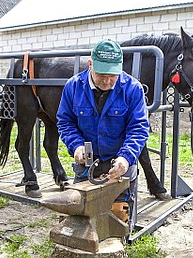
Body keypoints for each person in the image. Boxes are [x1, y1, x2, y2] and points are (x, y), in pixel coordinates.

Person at [56, 39, 149, 226]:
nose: (107, 81)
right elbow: (65, 122)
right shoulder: (73, 87)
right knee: (82, 215)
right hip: (86, 164)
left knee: (118, 218)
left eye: (113, 75)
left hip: (120, 162)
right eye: (101, 75)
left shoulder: (133, 89)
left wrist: (126, 157)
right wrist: (76, 145)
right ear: (90, 64)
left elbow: (138, 128)